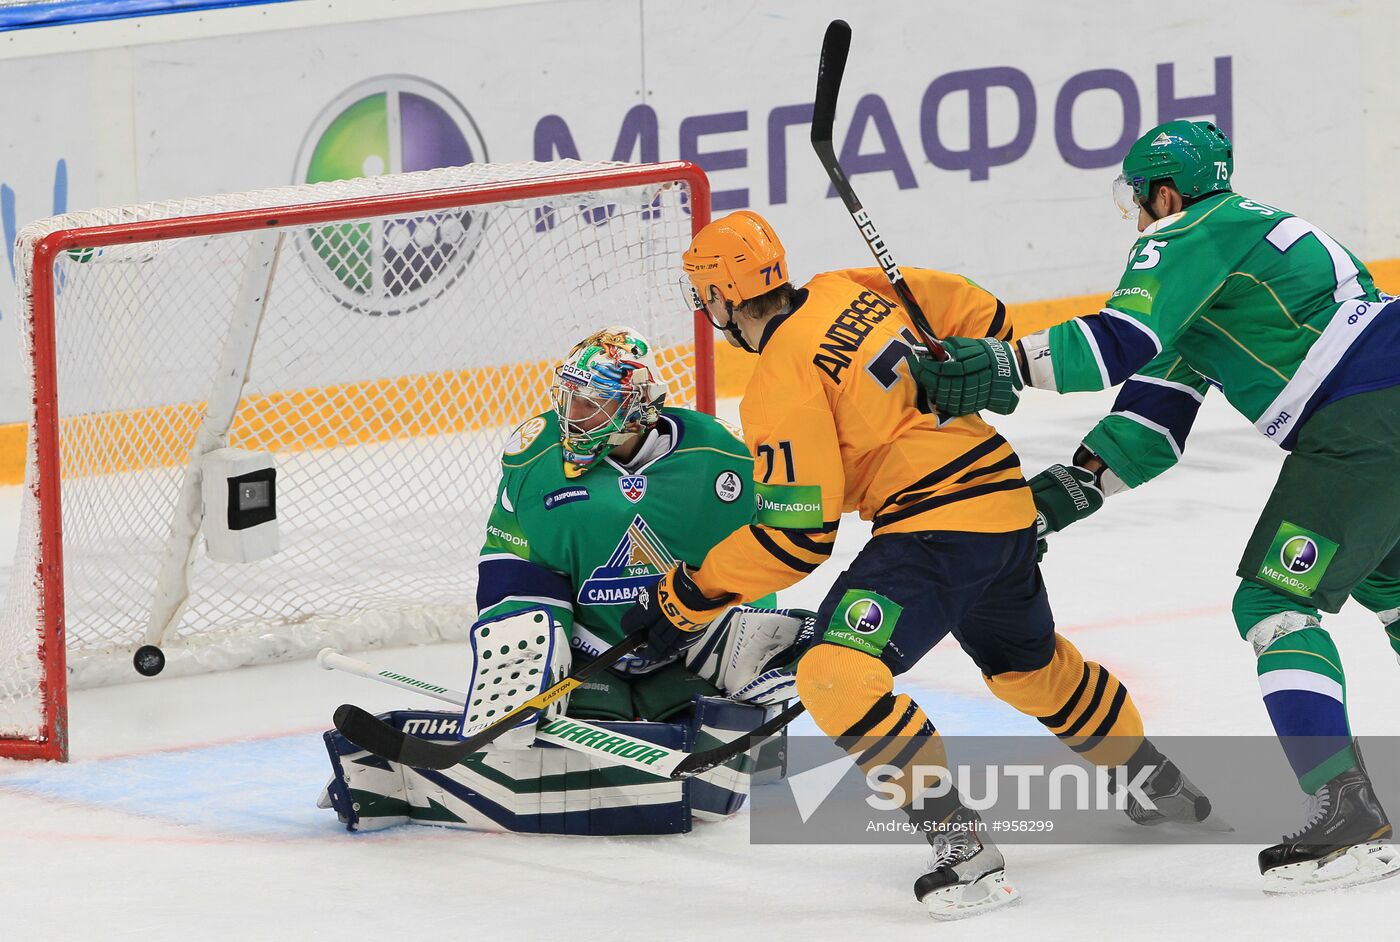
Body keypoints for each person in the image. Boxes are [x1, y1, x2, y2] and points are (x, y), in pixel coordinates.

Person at [620, 211, 1214, 920]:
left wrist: (689, 595)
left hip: (936, 531)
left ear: (720, 297)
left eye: (703, 294)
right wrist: (961, 363)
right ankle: (1154, 778)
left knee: (834, 673)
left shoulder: (780, 378)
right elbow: (981, 312)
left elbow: (794, 541)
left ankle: (965, 852)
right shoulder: (847, 286)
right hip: (1003, 508)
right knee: (1029, 670)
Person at [911, 119, 1400, 893]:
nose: (1139, 218)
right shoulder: (1225, 266)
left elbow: (1114, 341)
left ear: (1164, 193)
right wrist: (1040, 508)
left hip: (1370, 415)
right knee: (1391, 590)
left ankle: (1349, 816)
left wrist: (1000, 363)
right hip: (1381, 410)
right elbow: (1150, 427)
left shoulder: (1191, 231)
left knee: (1274, 603)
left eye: (1140, 201)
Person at [321, 326, 810, 835]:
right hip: (588, 650)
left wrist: (736, 625)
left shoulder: (722, 456)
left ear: (637, 405)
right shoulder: (536, 457)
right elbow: (512, 565)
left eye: (591, 402)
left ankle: (744, 704)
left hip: (686, 635)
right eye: (569, 397)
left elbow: (759, 558)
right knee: (535, 657)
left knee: (756, 646)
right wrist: (528, 649)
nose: (572, 414)